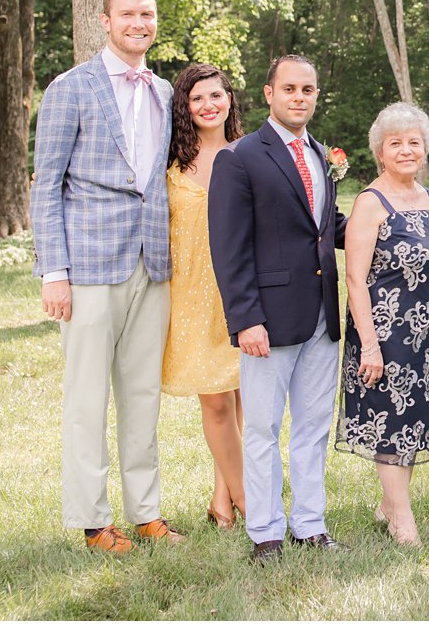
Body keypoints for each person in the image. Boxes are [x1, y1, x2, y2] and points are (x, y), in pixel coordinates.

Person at [31, 0, 183, 554]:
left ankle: (146, 513)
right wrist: (53, 272)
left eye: (147, 13)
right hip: (89, 264)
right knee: (87, 397)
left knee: (142, 393)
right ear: (105, 21)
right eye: (127, 14)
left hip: (153, 263)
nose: (138, 22)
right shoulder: (70, 89)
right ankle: (94, 523)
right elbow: (47, 185)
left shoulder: (165, 91)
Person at [209, 55, 347, 562]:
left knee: (313, 425)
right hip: (267, 318)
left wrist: (392, 228)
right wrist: (246, 319)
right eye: (289, 88)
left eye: (307, 89)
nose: (299, 97)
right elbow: (228, 247)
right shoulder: (241, 157)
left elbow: (327, 227)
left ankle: (310, 523)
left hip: (321, 316)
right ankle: (264, 532)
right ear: (269, 93)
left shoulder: (319, 153)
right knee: (264, 429)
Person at [337, 103, 429, 547]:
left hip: (428, 333)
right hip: (386, 334)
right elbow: (354, 277)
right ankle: (402, 520)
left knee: (413, 421)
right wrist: (369, 344)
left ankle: (390, 504)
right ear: (380, 152)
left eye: (414, 142)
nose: (406, 150)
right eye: (396, 144)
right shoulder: (370, 202)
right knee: (391, 421)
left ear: (424, 149)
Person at [162, 62, 247, 530]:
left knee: (241, 399)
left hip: (239, 292)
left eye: (216, 95)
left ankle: (221, 503)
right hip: (189, 294)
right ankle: (250, 502)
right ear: (185, 107)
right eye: (197, 98)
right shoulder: (171, 162)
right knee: (215, 401)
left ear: (229, 99)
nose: (208, 105)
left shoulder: (249, 154)